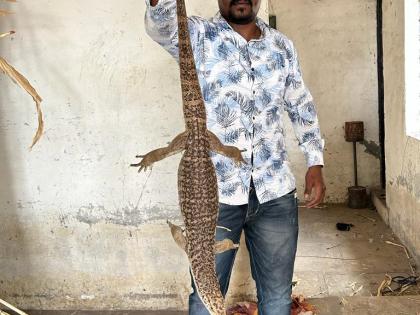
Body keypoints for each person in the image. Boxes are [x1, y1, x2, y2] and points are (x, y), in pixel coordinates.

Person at [144, 0, 326, 314]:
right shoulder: (199, 35)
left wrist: (315, 160)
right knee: (205, 294)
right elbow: (161, 27)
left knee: (278, 297)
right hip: (216, 197)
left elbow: (300, 104)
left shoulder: (281, 46)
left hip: (276, 192)